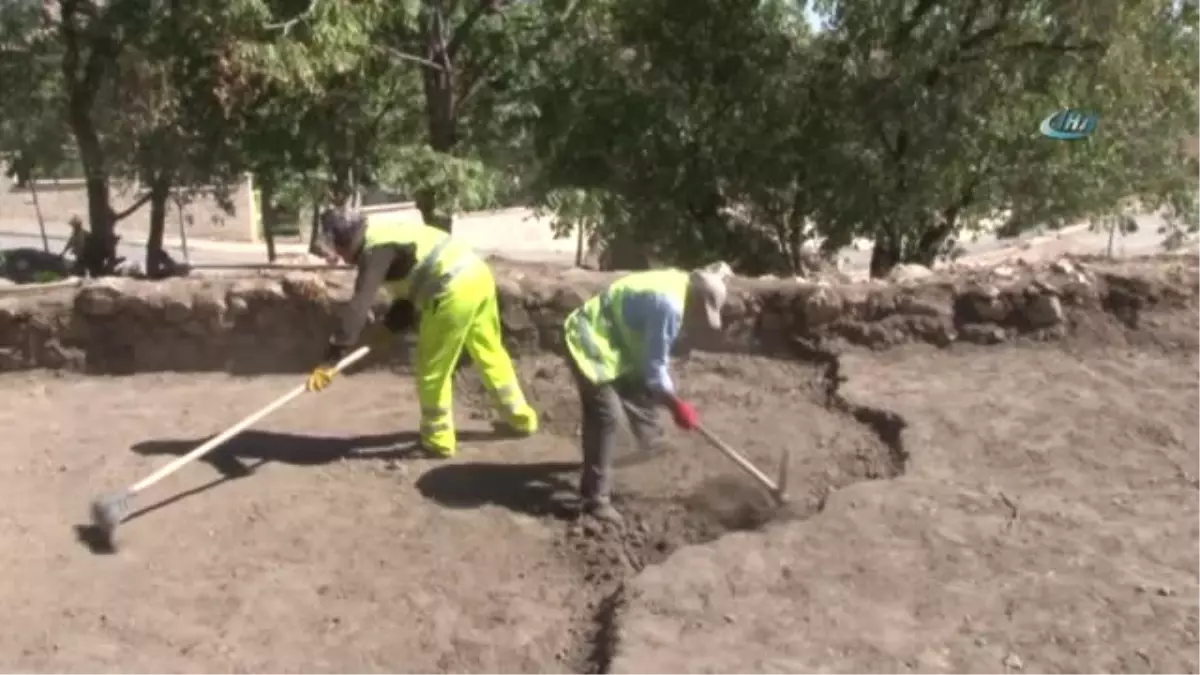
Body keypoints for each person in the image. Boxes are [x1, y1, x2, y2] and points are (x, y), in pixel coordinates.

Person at [304, 208, 539, 458]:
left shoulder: (374, 251)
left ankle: (438, 440)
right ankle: (521, 419)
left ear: (346, 239)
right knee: (489, 352)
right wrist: (385, 330)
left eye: (337, 250)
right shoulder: (386, 235)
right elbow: (411, 292)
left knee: (432, 370)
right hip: (477, 276)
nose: (339, 258)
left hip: (452, 289)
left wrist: (331, 359)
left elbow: (359, 304)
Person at [563, 267, 728, 525]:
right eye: (701, 312)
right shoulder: (669, 307)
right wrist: (677, 407)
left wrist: (669, 401)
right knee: (606, 417)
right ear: (695, 298)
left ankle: (646, 443)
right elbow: (654, 371)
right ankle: (596, 499)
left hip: (613, 342)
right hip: (589, 340)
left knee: (637, 389)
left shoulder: (678, 283)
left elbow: (650, 372)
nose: (698, 319)